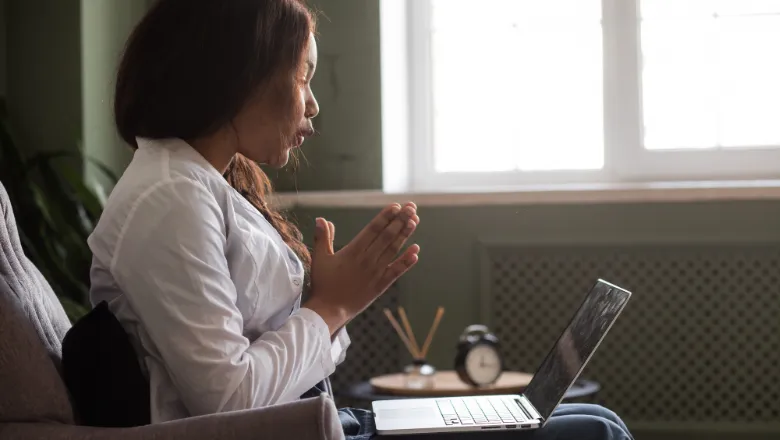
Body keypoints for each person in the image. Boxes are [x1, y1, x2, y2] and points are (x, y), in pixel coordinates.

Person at [88, 0, 634, 439]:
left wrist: (328, 305)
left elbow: (279, 359)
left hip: (320, 421)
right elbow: (228, 402)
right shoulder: (168, 200)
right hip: (296, 429)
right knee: (592, 431)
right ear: (238, 77)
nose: (313, 104)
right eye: (303, 77)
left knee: (597, 422)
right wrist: (331, 306)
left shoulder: (204, 186)